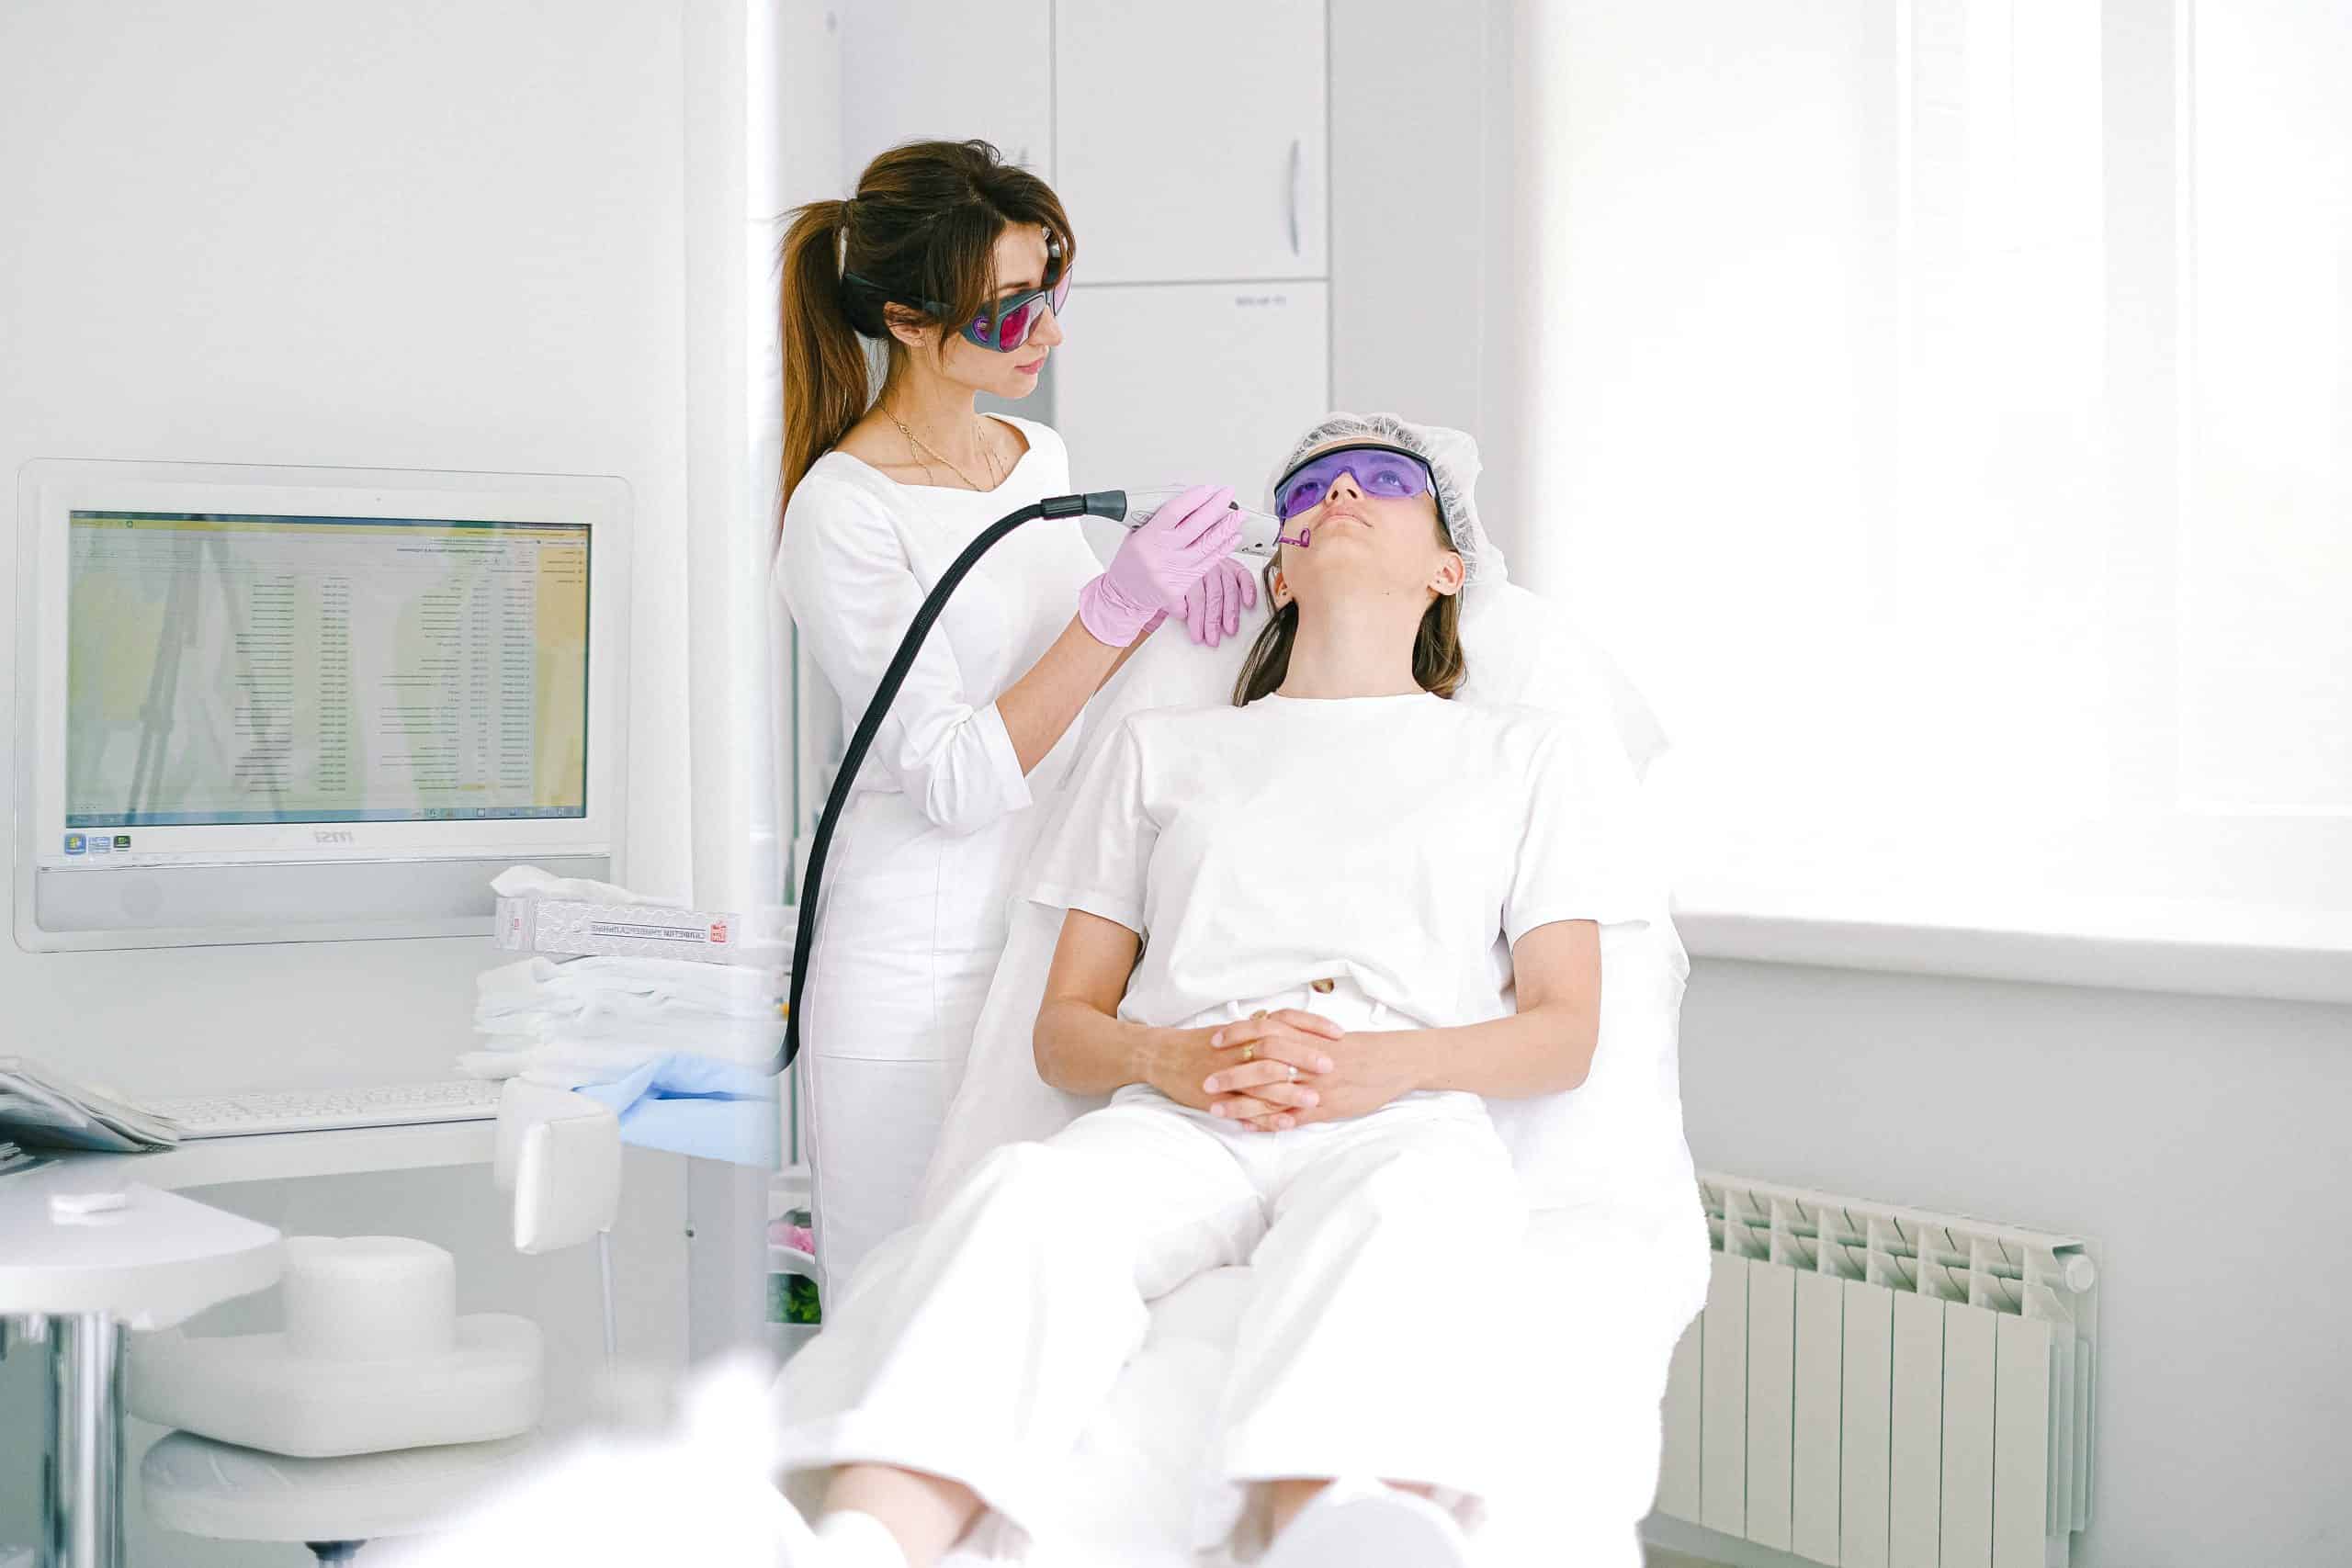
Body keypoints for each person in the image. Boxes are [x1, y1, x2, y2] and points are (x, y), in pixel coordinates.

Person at [767, 413, 1659, 1568]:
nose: (1337, 495)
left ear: (1451, 570)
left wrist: (1376, 1068)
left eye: (1382, 483)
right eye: (1309, 491)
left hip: (1394, 1117)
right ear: (1277, 570)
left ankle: (1337, 1529)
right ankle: (863, 1542)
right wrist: (1169, 1061)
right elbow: (1064, 1033)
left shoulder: (1524, 752)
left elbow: (1562, 1036)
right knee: (1024, 1203)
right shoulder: (1165, 749)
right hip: (1184, 1109)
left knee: (1401, 1224)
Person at [773, 140, 1255, 1296]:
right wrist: (1116, 604)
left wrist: (1168, 602)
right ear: (907, 317)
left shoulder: (1035, 455)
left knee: (1022, 1299)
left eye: (1051, 294)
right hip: (916, 964)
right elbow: (950, 777)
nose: (1045, 334)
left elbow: (1074, 672)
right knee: (903, 1304)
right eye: (1009, 313)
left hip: (1046, 948)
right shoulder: (841, 512)